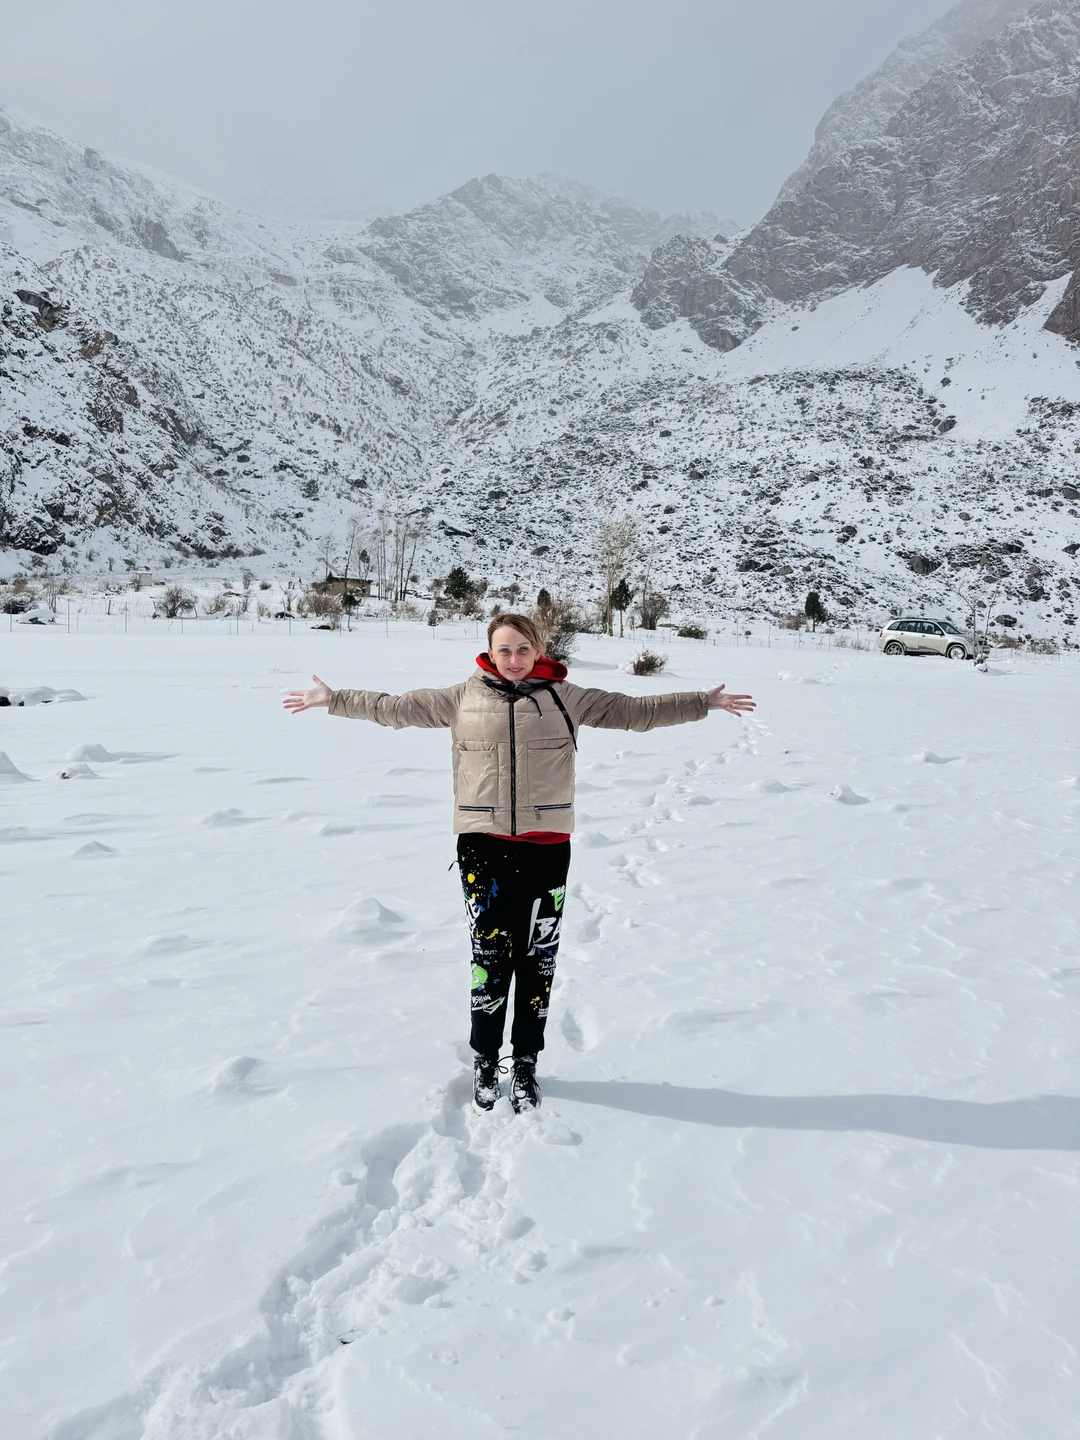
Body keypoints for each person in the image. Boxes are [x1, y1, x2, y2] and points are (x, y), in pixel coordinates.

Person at [283, 613, 755, 1114]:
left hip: (547, 844)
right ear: (488, 650)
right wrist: (333, 699)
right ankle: (485, 1059)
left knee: (538, 956)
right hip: (481, 845)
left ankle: (525, 1059)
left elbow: (633, 711)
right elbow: (395, 708)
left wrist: (701, 702)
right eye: (504, 649)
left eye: (523, 649)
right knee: (489, 957)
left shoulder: (565, 698)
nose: (513, 659)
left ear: (538, 650)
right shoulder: (461, 697)